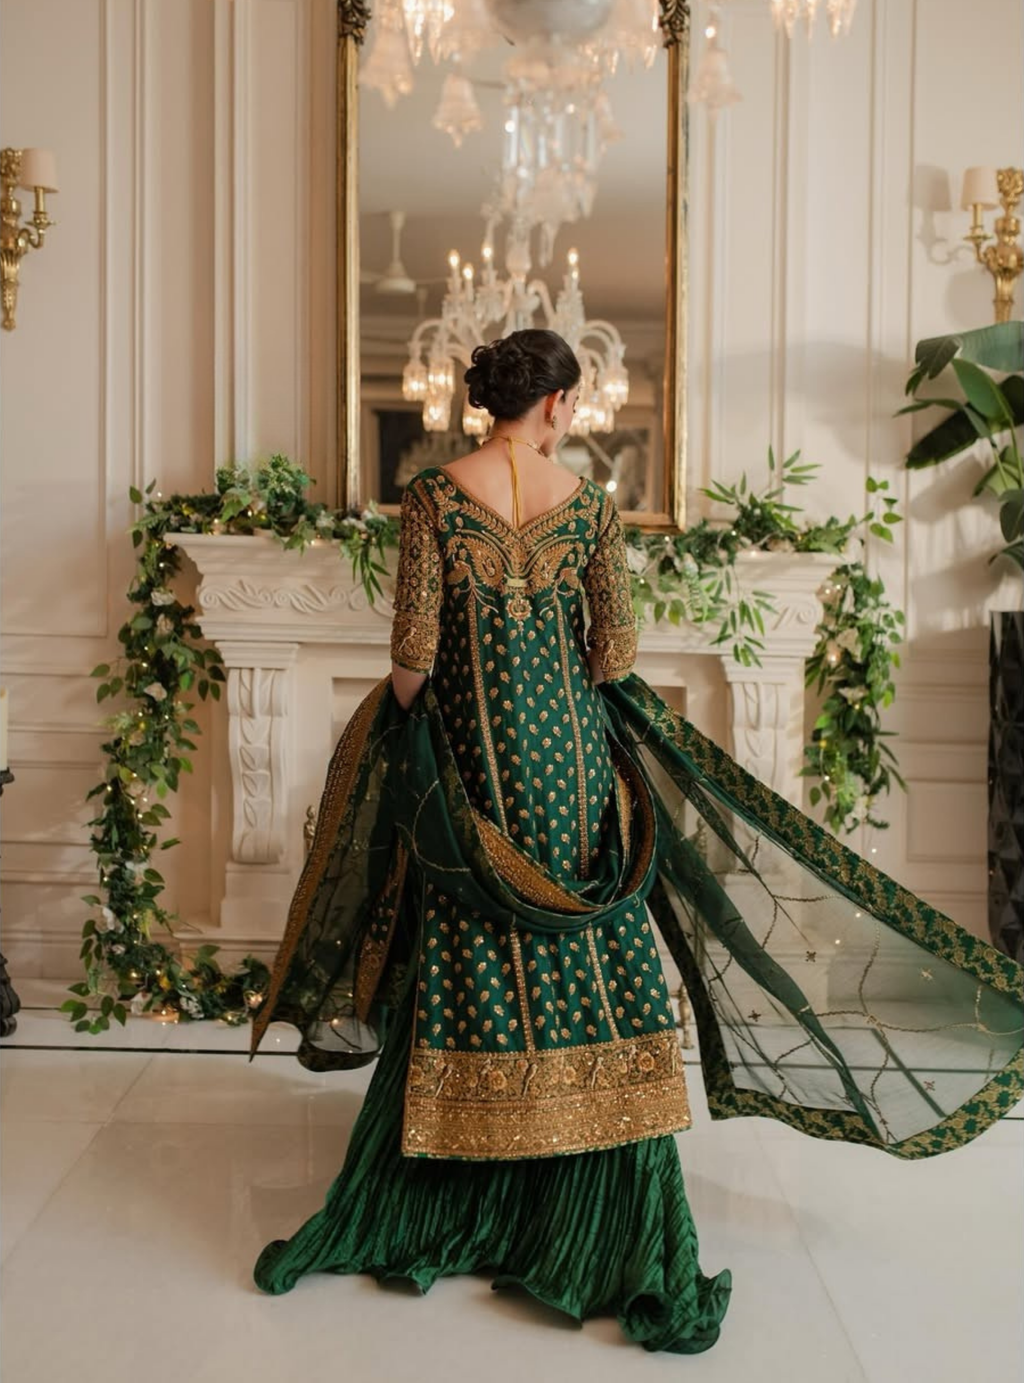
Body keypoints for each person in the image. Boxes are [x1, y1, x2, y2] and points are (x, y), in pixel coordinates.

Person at [250, 329, 1023, 1354]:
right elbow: (613, 657)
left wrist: (401, 728)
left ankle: (453, 1193)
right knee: (593, 961)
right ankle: (594, 1207)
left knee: (471, 953)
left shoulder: (434, 500)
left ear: (490, 402)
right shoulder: (592, 510)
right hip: (570, 765)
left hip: (474, 765)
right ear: (560, 404)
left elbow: (410, 661)